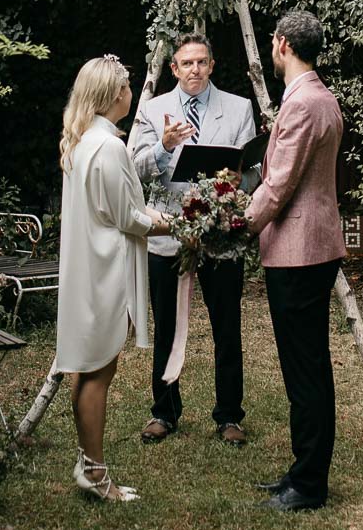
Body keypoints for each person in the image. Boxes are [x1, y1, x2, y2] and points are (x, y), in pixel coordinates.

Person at [52, 55, 173, 502]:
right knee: (99, 370)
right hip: (106, 272)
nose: (130, 91)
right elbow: (129, 217)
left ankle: (88, 463)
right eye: (125, 86)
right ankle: (97, 474)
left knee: (91, 367)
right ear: (111, 96)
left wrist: (155, 217)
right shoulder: (109, 147)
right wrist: (178, 224)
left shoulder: (84, 142)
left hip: (89, 266)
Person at [128, 33, 258, 446]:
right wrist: (164, 147)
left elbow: (255, 170)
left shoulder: (238, 108)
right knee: (165, 324)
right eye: (187, 63)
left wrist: (241, 180)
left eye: (202, 62)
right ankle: (164, 412)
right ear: (174, 69)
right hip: (167, 233)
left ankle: (229, 415)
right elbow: (132, 169)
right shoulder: (152, 110)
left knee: (227, 325)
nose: (195, 70)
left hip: (219, 234)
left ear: (212, 65)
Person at [245, 10, 346, 512]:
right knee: (306, 365)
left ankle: (308, 485)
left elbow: (279, 184)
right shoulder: (319, 97)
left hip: (300, 253)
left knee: (305, 368)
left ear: (282, 44)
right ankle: (302, 470)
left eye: (272, 42)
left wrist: (236, 220)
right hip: (309, 249)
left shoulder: (305, 103)